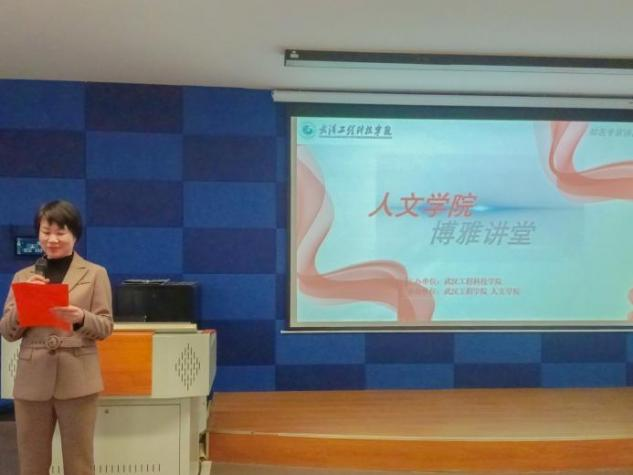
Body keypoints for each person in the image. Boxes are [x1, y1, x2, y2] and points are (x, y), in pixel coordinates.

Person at [0, 200, 113, 475]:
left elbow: (105, 327)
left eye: (60, 232)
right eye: (45, 232)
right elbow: (7, 332)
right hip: (32, 380)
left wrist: (80, 317)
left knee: (79, 463)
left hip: (78, 379)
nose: (52, 239)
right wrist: (24, 305)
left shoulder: (95, 274)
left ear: (75, 235)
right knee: (32, 464)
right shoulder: (23, 276)